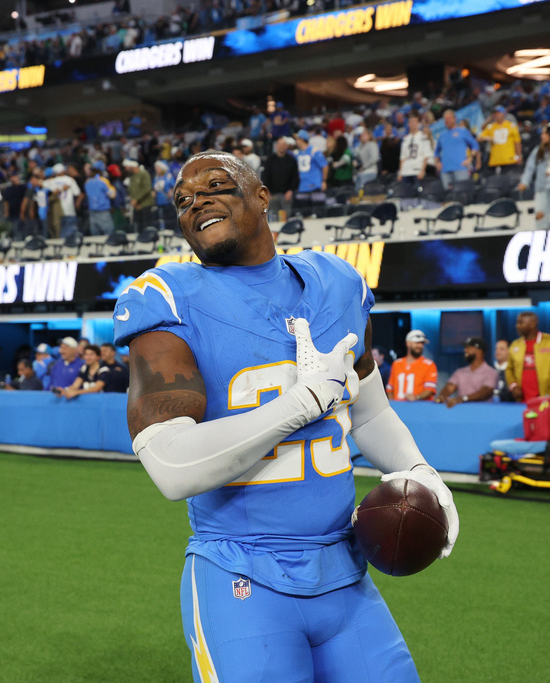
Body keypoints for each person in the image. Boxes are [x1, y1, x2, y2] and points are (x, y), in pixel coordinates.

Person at [112, 150, 457, 682]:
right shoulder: (167, 297)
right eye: (182, 200)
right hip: (242, 577)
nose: (196, 201)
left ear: (262, 196)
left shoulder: (337, 282)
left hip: (344, 572)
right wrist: (298, 404)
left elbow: (369, 416)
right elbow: (170, 466)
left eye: (216, 186)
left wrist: (418, 471)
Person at [505, 312, 550, 402]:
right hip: (522, 401)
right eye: (517, 323)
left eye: (521, 322)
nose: (517, 326)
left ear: (533, 324)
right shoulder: (515, 345)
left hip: (549, 398)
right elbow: (509, 369)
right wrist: (513, 386)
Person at [518, 124, 550, 230]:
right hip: (541, 187)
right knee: (540, 215)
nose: (542, 136)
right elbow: (530, 166)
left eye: (544, 134)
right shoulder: (539, 150)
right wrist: (524, 181)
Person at [434, 338, 498, 407]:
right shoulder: (460, 372)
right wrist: (443, 395)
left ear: (479, 351)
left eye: (468, 348)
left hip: (483, 413)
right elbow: (449, 387)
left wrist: (464, 398)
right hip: (463, 412)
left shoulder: (491, 372)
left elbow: (485, 393)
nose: (465, 350)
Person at [386, 329, 438, 401]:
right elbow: (390, 389)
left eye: (422, 343)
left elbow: (430, 389)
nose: (420, 346)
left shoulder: (429, 364)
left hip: (420, 408)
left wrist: (416, 397)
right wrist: (393, 406)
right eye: (417, 342)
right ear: (408, 343)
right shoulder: (396, 364)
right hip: (399, 408)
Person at [434, 109, 480, 189]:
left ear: (454, 119)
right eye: (445, 119)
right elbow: (437, 152)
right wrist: (437, 162)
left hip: (460, 167)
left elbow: (475, 145)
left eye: (449, 118)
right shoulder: (442, 135)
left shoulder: (463, 131)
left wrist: (470, 158)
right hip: (445, 169)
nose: (447, 121)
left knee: (462, 192)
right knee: (449, 195)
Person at [261, 136, 299, 223]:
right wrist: (268, 192)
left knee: (286, 218)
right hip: (272, 194)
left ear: (287, 146)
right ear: (276, 146)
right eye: (280, 144)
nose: (282, 146)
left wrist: (290, 191)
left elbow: (295, 178)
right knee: (273, 218)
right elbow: (265, 176)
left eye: (284, 144)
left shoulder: (291, 160)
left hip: (286, 195)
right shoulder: (270, 160)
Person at [477, 105, 522, 171]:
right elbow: (479, 137)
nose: (496, 115)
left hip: (509, 159)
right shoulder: (491, 126)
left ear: (503, 114)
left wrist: (519, 156)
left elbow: (517, 142)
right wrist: (487, 138)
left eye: (498, 113)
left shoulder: (511, 125)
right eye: (494, 113)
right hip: (495, 160)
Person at [85, 162, 117, 236]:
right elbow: (112, 195)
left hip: (92, 212)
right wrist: (112, 187)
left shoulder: (87, 181)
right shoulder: (103, 180)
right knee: (109, 233)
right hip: (103, 211)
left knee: (95, 235)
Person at [124, 159, 156, 229]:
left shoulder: (144, 173)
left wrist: (136, 199)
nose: (126, 169)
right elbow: (131, 191)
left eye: (127, 167)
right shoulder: (132, 176)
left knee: (147, 226)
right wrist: (133, 201)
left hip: (145, 204)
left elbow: (147, 188)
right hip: (136, 205)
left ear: (132, 166)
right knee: (139, 227)